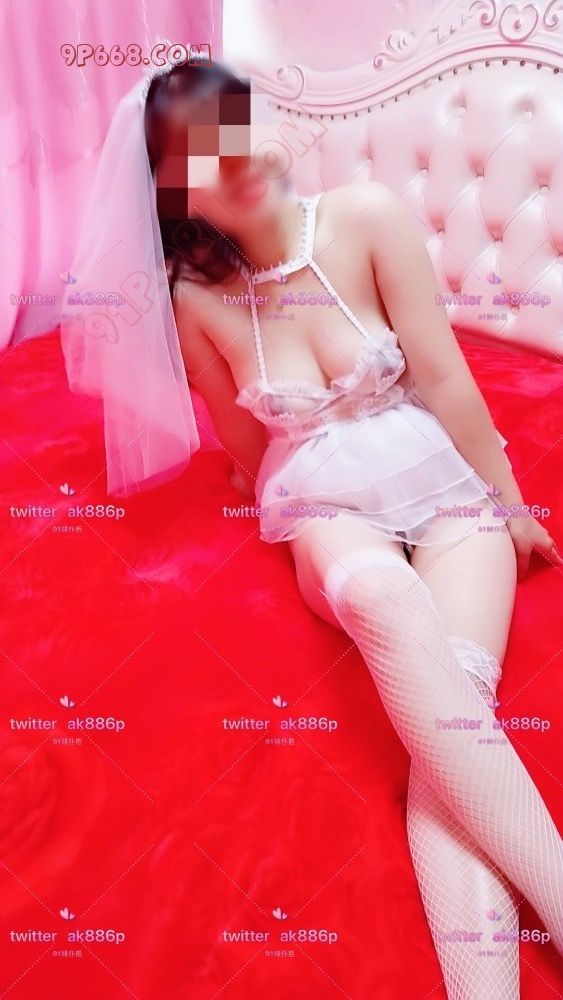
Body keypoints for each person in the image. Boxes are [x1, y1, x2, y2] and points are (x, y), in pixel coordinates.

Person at [61, 58, 563, 1000]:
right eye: (197, 154)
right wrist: (259, 486)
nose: (231, 157)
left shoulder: (364, 215)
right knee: (380, 600)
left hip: (441, 480)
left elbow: (444, 375)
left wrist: (507, 503)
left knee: (451, 712)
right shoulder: (195, 301)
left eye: (235, 124)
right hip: (325, 504)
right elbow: (250, 447)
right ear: (173, 193)